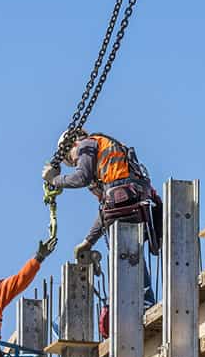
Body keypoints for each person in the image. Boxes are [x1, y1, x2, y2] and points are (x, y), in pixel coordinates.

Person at [42, 129, 160, 306]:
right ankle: (142, 299)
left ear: (73, 144)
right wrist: (88, 241)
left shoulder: (87, 144)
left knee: (124, 253)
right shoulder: (105, 167)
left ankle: (140, 301)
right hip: (132, 200)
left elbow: (81, 177)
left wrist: (55, 180)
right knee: (130, 252)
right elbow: (105, 209)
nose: (76, 163)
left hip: (125, 200)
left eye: (72, 159)